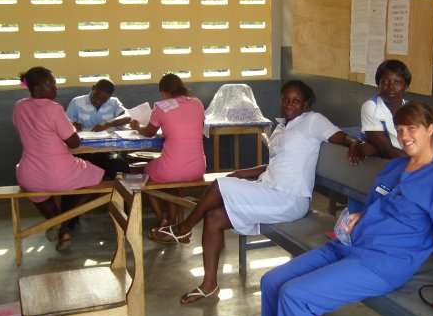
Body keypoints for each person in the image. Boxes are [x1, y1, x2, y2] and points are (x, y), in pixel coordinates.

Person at [248, 101, 433, 316]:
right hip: (350, 245)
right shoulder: (396, 166)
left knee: (297, 296)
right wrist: (362, 216)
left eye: (412, 128)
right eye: (400, 130)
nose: (404, 136)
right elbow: (382, 204)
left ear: (430, 129)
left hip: (383, 263)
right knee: (272, 281)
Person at [149, 80, 365, 304]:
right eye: (285, 99)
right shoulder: (281, 128)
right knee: (213, 218)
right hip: (268, 190)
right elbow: (275, 165)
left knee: (219, 186)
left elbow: (341, 137)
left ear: (306, 103)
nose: (289, 105)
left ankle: (183, 228)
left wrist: (355, 144)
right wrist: (242, 172)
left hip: (290, 198)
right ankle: (209, 285)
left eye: (296, 101)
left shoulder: (313, 121)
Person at [13, 67, 105, 251]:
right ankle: (65, 221)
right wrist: (72, 128)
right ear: (37, 89)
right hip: (59, 172)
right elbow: (74, 143)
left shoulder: (19, 106)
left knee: (39, 192)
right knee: (99, 176)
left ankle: (62, 229)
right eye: (50, 84)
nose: (55, 88)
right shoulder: (53, 108)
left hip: (29, 174)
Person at [130, 73, 206, 227]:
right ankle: (172, 221)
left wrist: (137, 126)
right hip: (198, 169)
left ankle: (160, 220)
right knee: (173, 183)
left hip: (172, 170)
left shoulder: (161, 107)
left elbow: (149, 132)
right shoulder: (197, 103)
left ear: (164, 92)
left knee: (141, 173)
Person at [66, 79, 131, 178]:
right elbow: (65, 122)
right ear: (93, 88)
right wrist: (73, 125)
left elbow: (127, 117)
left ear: (109, 97)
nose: (98, 101)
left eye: (103, 100)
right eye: (96, 96)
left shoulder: (114, 102)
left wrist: (107, 123)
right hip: (82, 151)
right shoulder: (77, 102)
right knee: (77, 169)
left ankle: (111, 186)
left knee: (121, 166)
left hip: (106, 151)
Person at [359, 59, 410, 159]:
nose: (391, 87)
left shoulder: (412, 109)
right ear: (378, 85)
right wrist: (417, 164)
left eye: (397, 82)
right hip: (385, 162)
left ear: (406, 86)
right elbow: (386, 150)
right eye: (385, 82)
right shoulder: (371, 107)